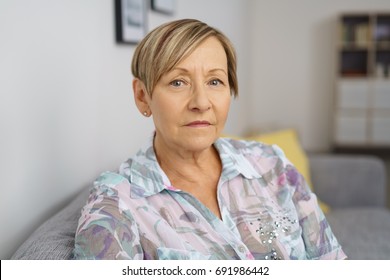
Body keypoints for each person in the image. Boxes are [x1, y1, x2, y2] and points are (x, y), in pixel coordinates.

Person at [73, 19, 346, 260]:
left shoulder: (271, 164)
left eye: (215, 81)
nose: (201, 103)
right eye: (178, 82)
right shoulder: (117, 205)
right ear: (142, 96)